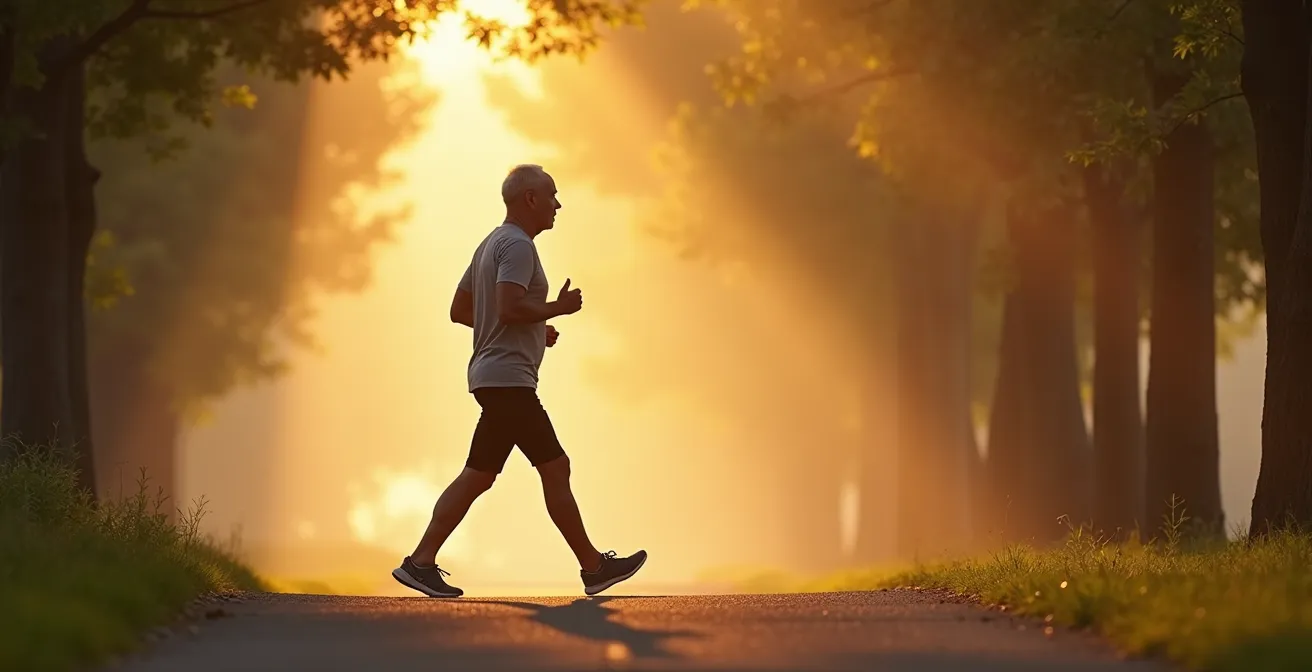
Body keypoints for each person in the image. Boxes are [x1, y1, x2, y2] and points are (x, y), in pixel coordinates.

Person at [392, 164, 647, 598]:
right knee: (555, 467)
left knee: (478, 476)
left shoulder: (491, 243)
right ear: (529, 198)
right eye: (551, 195)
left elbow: (462, 309)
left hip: (494, 376)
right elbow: (508, 308)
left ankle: (420, 563)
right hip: (509, 379)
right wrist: (556, 309)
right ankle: (592, 568)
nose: (557, 204)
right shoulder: (518, 246)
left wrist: (532, 328)